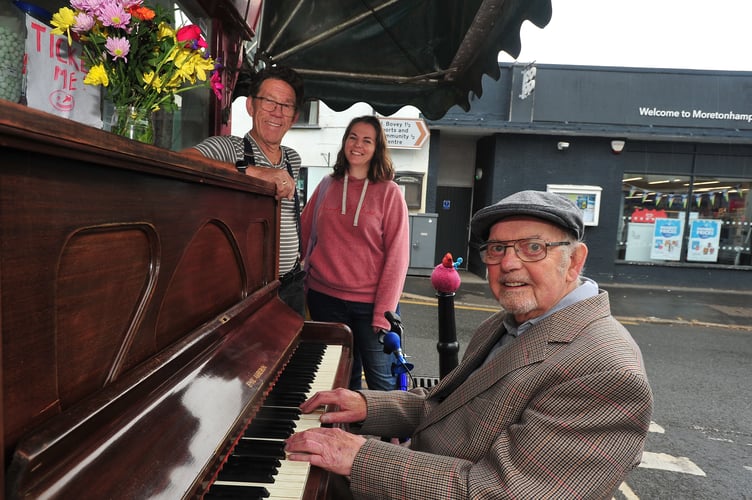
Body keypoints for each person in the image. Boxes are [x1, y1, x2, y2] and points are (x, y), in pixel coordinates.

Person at [285, 190, 654, 499]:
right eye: (497, 249)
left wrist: (360, 457)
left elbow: (498, 492)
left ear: (574, 261)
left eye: (533, 247)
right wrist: (367, 405)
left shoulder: (606, 372)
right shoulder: (510, 322)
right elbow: (448, 407)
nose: (508, 263)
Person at [185, 66, 306, 316]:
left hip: (292, 284)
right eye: (269, 102)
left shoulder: (293, 159)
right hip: (248, 291)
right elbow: (182, 159)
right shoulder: (229, 148)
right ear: (251, 106)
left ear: (294, 117)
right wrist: (253, 172)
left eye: (286, 106)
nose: (277, 112)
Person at [301, 116, 409, 391]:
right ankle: (341, 434)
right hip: (324, 299)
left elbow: (397, 259)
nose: (357, 145)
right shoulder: (326, 185)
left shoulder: (389, 192)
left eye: (366, 140)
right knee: (337, 380)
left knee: (381, 382)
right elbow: (302, 235)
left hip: (371, 305)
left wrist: (382, 313)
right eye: (353, 137)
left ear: (377, 148)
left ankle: (384, 435)